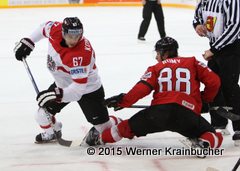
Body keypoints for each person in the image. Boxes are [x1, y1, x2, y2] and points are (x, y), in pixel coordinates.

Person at [82, 37, 223, 157]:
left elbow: (141, 89)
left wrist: (123, 101)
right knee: (213, 134)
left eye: (158, 53)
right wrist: (204, 100)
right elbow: (214, 82)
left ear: (165, 53)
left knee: (123, 128)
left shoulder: (156, 68)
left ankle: (98, 138)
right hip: (187, 115)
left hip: (157, 114)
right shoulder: (193, 62)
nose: (156, 57)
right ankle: (205, 143)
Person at [14, 17, 121, 143]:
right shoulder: (55, 29)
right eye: (70, 36)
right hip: (63, 84)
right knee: (41, 116)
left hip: (88, 89)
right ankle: (53, 132)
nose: (74, 40)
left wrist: (55, 95)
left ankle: (118, 122)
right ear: (63, 32)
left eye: (77, 36)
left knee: (103, 128)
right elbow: (43, 28)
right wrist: (29, 41)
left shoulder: (80, 55)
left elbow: (77, 91)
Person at [193, 0, 240, 146]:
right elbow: (197, 17)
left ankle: (239, 128)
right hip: (215, 47)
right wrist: (198, 25)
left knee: (229, 85)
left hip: (232, 48)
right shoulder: (204, 1)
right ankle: (219, 123)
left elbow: (235, 26)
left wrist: (214, 49)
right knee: (212, 84)